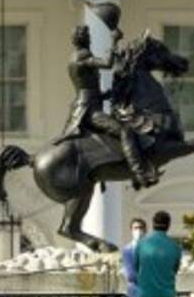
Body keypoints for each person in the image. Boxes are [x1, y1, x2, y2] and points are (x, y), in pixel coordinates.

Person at [56, 19, 157, 188]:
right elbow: (108, 63)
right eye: (88, 36)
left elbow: (86, 87)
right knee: (125, 131)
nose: (90, 39)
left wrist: (105, 95)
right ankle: (139, 174)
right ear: (84, 39)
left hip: (89, 104)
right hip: (89, 111)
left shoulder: (75, 57)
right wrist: (114, 39)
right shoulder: (82, 57)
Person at [120, 217, 147, 297]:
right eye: (136, 228)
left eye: (141, 228)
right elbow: (131, 275)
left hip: (149, 296)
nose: (139, 231)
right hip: (134, 296)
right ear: (131, 230)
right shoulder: (128, 250)